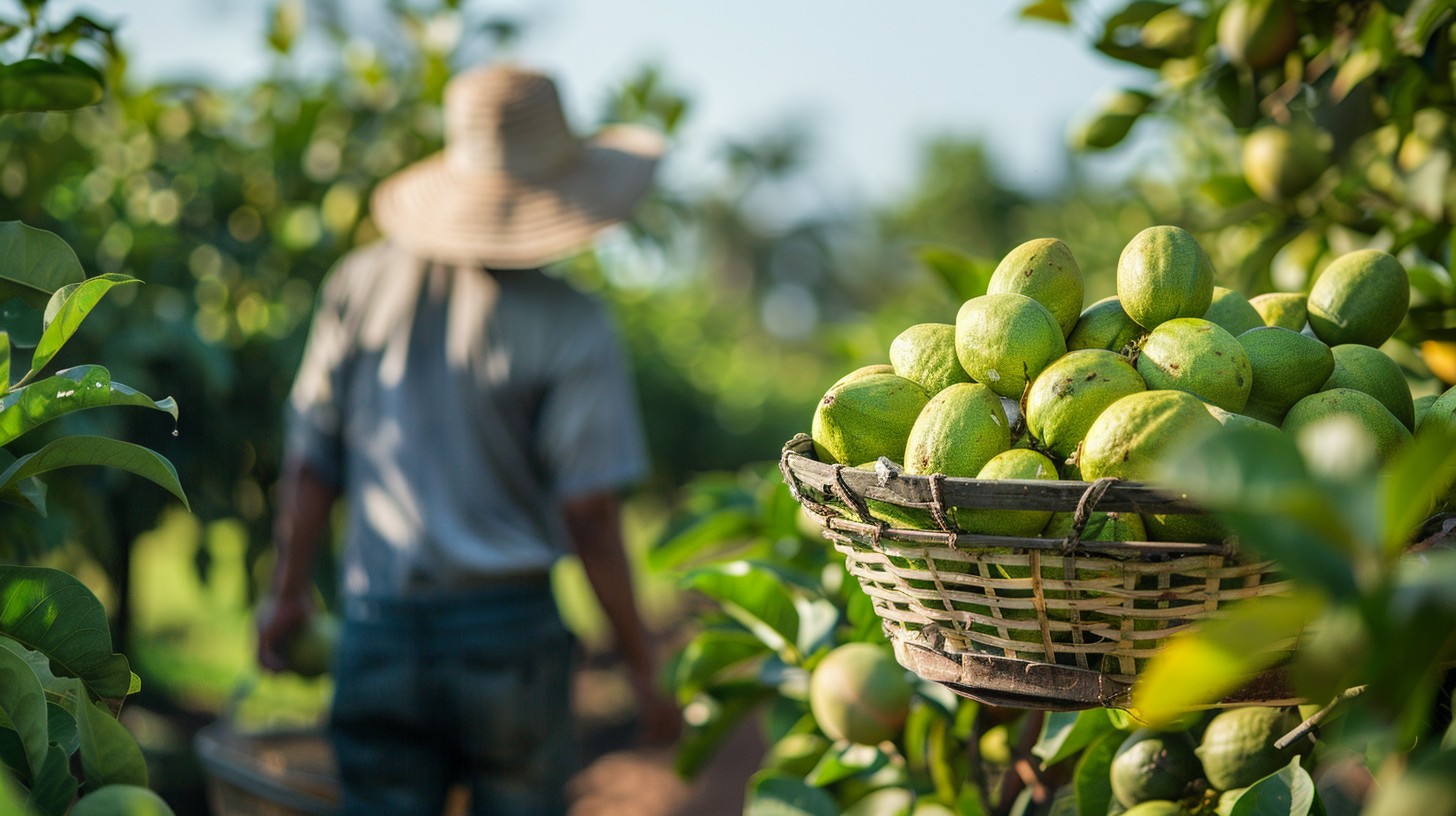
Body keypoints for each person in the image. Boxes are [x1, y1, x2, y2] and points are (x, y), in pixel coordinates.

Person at [255, 63, 677, 816]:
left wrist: (287, 595)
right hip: (507, 636)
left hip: (377, 625)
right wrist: (643, 665)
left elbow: (312, 463)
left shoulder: (356, 284)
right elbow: (590, 513)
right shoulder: (572, 322)